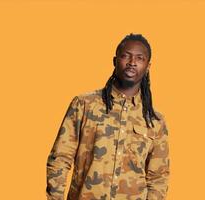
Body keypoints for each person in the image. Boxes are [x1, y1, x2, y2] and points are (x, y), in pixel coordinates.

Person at [46, 33, 170, 200]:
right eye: (126, 56)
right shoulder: (84, 105)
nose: (132, 62)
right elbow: (60, 157)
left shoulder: (155, 121)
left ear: (148, 66)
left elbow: (158, 177)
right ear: (115, 61)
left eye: (139, 58)